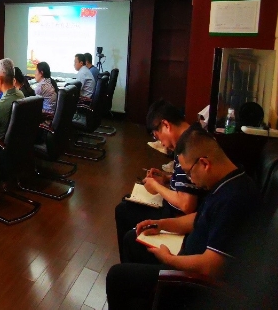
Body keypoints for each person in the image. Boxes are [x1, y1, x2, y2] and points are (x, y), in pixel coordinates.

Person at [106, 127, 260, 309]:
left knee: (117, 276)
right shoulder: (228, 182)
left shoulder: (235, 199)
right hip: (185, 255)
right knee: (132, 239)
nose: (190, 180)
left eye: (189, 173)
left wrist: (169, 259)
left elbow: (211, 267)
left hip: (192, 281)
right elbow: (197, 219)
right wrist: (161, 224)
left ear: (204, 163)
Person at [114, 100, 206, 261]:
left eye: (158, 137)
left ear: (166, 125)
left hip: (178, 216)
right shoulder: (192, 135)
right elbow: (190, 184)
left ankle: (131, 263)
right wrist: (166, 179)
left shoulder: (188, 147)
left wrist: (156, 186)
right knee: (125, 205)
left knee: (124, 214)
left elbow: (187, 205)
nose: (162, 144)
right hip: (177, 211)